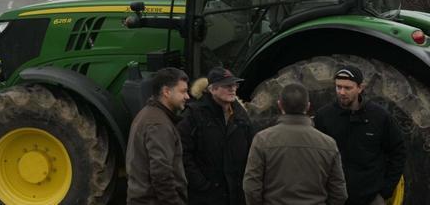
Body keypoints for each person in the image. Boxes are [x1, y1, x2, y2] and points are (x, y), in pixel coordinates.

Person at [243, 83, 347, 205]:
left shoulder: (262, 140)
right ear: (308, 107)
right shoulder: (328, 144)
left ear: (280, 105)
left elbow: (251, 187)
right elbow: (339, 193)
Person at [314, 66, 406, 205]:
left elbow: (398, 152)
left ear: (360, 88)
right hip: (333, 198)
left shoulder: (379, 117)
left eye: (347, 88)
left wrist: (385, 192)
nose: (342, 92)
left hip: (371, 198)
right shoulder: (324, 116)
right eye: (338, 87)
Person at [178, 68, 253, 205]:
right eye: (227, 86)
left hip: (235, 195)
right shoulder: (194, 115)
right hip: (207, 196)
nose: (233, 89)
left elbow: (251, 148)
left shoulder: (240, 114)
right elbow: (183, 154)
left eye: (234, 85)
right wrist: (201, 184)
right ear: (212, 89)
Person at [127, 67, 190, 205]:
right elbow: (161, 174)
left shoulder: (147, 114)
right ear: (166, 91)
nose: (187, 96)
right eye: (183, 91)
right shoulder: (158, 124)